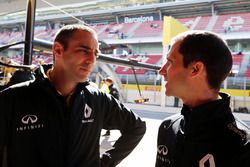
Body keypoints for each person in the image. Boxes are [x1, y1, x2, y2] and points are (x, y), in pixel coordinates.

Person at [0, 24, 146, 167]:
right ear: (58, 50)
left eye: (95, 53)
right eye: (84, 51)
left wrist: (106, 162)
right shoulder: (11, 99)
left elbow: (136, 127)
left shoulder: (98, 99)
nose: (92, 60)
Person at [155, 30, 250, 167]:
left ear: (195, 69)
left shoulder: (243, 145)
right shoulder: (168, 127)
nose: (161, 71)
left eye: (170, 61)